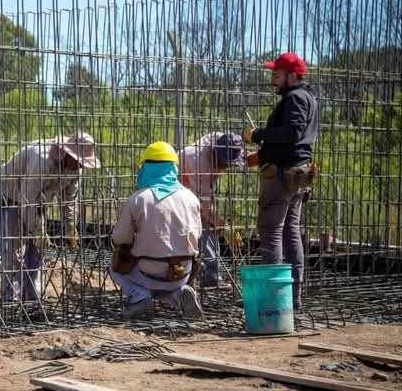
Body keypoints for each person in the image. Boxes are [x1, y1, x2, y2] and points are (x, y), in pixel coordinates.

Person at [242, 52, 319, 310]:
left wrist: (258, 135)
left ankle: (272, 298)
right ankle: (292, 297)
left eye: (277, 73)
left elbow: (292, 133)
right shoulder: (308, 98)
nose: (272, 77)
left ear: (293, 75)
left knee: (271, 231)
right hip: (298, 173)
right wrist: (263, 154)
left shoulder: (295, 98)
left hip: (282, 174)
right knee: (290, 232)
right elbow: (296, 142)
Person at [0, 131, 101, 302]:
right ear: (68, 154)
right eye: (80, 161)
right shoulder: (42, 160)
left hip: (38, 200)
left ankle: (32, 298)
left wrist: (71, 230)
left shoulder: (74, 169)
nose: (81, 166)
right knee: (13, 249)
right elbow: (27, 198)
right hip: (10, 194)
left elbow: (70, 201)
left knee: (37, 250)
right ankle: (10, 299)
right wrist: (38, 231)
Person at [110, 141, 203, 319]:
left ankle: (139, 296)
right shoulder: (191, 198)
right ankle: (178, 294)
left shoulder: (138, 199)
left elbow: (120, 238)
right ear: (173, 169)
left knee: (114, 265)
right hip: (183, 271)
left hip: (147, 272)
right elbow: (197, 237)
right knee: (171, 280)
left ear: (146, 168)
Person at [179, 132, 255, 288]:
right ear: (215, 153)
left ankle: (210, 272)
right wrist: (223, 225)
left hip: (197, 186)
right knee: (205, 224)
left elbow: (243, 154)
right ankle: (206, 273)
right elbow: (204, 206)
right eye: (224, 162)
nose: (225, 167)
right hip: (180, 189)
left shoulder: (223, 140)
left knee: (211, 224)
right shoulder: (199, 162)